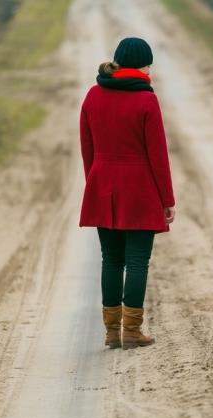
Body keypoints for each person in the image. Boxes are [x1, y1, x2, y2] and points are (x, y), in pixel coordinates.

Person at [79, 37, 175, 350]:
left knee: (111, 259)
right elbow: (158, 155)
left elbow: (87, 148)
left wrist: (94, 183)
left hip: (102, 183)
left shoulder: (93, 95)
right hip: (140, 189)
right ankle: (132, 331)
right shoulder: (147, 100)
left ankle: (111, 332)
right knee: (136, 263)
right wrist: (166, 200)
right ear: (144, 65)